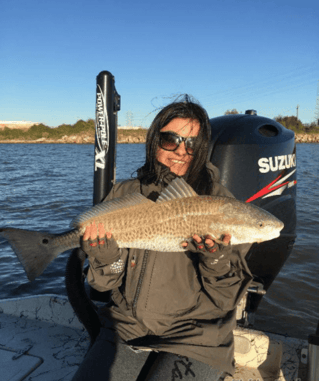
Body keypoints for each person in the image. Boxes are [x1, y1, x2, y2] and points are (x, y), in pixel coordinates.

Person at [72, 96, 253, 381]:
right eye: (171, 139)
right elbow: (106, 283)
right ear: (155, 140)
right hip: (126, 327)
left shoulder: (223, 207)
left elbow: (226, 299)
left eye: (192, 143)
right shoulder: (125, 194)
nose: (181, 150)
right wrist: (107, 258)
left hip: (198, 337)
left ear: (203, 148)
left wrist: (215, 260)